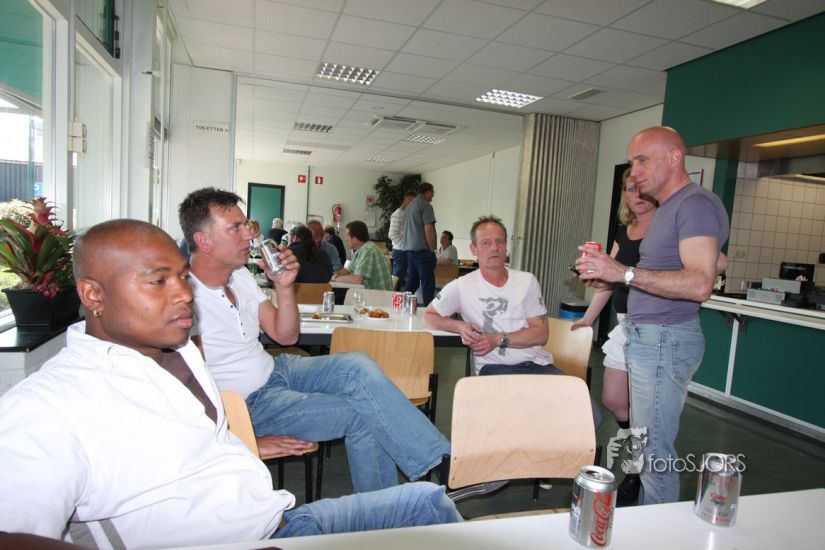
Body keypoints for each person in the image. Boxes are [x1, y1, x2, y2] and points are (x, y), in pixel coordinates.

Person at [0, 219, 461, 548]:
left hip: (273, 515)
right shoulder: (47, 405)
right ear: (93, 294)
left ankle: (440, 464)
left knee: (428, 502)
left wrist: (242, 442)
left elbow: (279, 343)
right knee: (368, 421)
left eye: (181, 278)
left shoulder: (178, 354)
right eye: (158, 282)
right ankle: (438, 465)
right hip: (242, 533)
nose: (183, 293)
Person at [179, 189, 449, 493]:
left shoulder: (240, 276)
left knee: (358, 366)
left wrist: (284, 287)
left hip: (277, 369)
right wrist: (238, 436)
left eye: (245, 225)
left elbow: (286, 336)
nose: (249, 234)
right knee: (363, 414)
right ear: (204, 241)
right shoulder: (181, 299)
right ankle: (415, 490)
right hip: (249, 403)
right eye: (235, 228)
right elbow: (185, 393)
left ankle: (438, 460)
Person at [576, 126, 729, 505]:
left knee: (654, 454)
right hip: (646, 336)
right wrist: (610, 275)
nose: (636, 171)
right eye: (632, 162)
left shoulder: (694, 204)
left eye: (643, 160)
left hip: (664, 338)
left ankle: (657, 529)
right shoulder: (670, 208)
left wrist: (623, 273)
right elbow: (684, 267)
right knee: (646, 448)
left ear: (674, 157)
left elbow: (700, 283)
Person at [424, 215, 601, 428]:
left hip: (537, 365)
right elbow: (429, 315)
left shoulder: (526, 281)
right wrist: (459, 326)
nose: (494, 248)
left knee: (590, 415)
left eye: (499, 241)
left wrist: (496, 339)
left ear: (506, 246)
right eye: (486, 243)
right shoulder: (462, 286)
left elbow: (541, 333)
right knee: (520, 420)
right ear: (473, 249)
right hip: (494, 369)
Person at [571, 168, 657, 505]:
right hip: (624, 325)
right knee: (614, 399)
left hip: (652, 326)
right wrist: (588, 319)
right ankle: (638, 455)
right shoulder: (625, 231)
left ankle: (636, 473)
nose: (637, 195)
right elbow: (608, 281)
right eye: (630, 189)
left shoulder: (666, 228)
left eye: (642, 188)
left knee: (644, 409)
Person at [402, 182, 437, 305]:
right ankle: (429, 310)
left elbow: (404, 230)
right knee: (428, 282)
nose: (433, 196)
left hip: (409, 250)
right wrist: (432, 250)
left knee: (412, 281)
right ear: (428, 192)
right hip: (422, 250)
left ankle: (403, 306)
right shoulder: (425, 206)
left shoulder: (409, 206)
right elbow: (429, 229)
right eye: (432, 193)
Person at [333, 220, 392, 290]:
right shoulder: (362, 249)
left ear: (355, 239)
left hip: (378, 295)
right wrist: (333, 274)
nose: (345, 239)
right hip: (372, 292)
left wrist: (335, 278)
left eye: (347, 236)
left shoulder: (368, 250)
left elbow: (357, 280)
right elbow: (348, 270)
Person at [388, 190, 417, 290]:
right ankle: (393, 297)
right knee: (397, 278)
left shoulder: (405, 213)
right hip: (400, 251)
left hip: (404, 250)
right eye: (413, 202)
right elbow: (392, 234)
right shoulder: (398, 214)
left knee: (401, 278)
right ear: (407, 200)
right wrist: (405, 246)